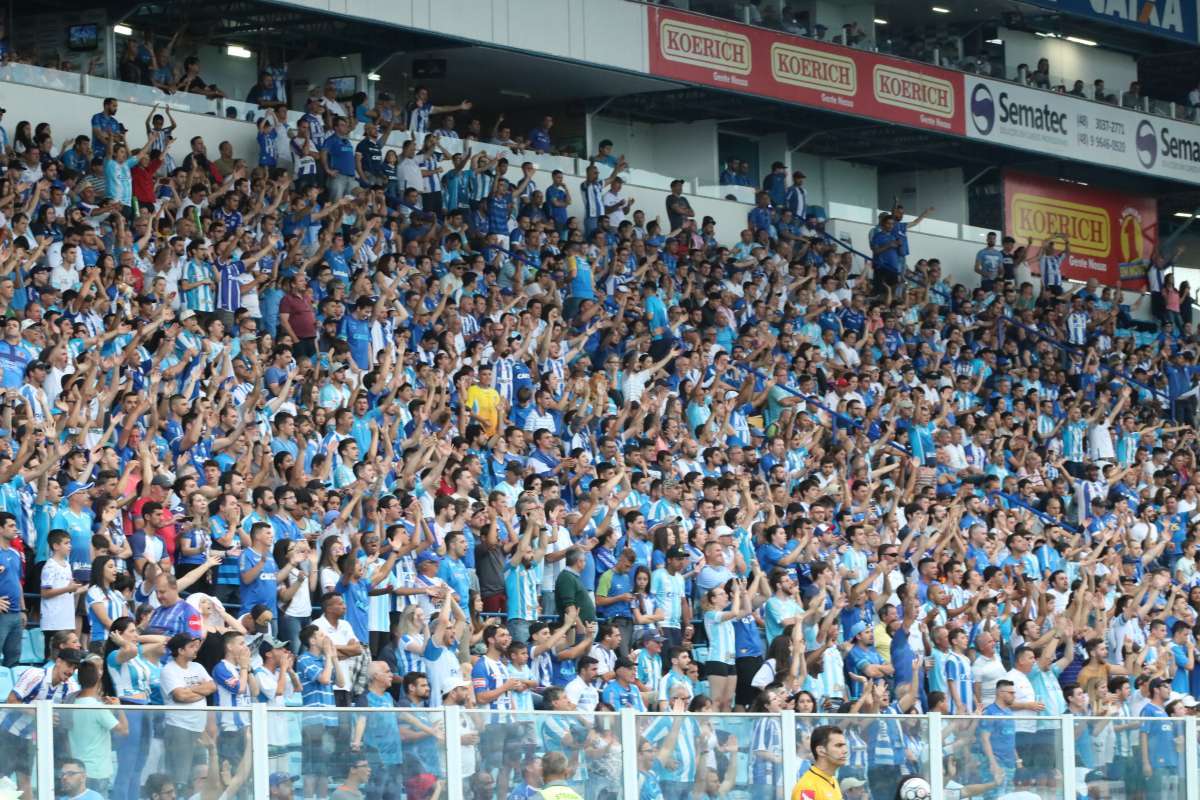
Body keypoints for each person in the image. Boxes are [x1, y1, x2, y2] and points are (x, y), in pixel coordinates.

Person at [160, 632, 217, 789]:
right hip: (179, 728)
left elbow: (212, 687)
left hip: (199, 729)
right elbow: (180, 696)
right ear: (180, 650)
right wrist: (200, 691)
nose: (195, 649)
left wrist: (190, 690)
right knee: (180, 778)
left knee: (199, 776)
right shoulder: (169, 670)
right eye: (191, 646)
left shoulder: (197, 667)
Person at [792, 725, 849, 800]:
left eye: (844, 745)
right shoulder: (808, 787)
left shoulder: (832, 780)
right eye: (838, 746)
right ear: (821, 751)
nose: (845, 751)